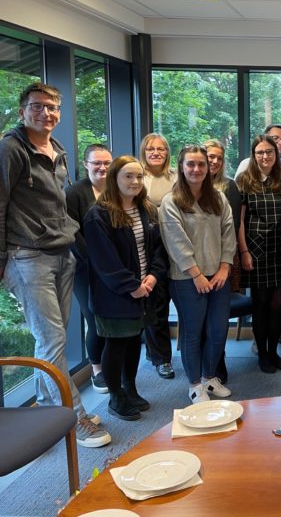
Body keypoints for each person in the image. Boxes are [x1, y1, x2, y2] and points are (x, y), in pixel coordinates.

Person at [0, 82, 110, 447]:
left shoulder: (57, 149)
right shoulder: (8, 151)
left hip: (61, 254)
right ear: (23, 110)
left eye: (53, 107)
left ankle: (44, 409)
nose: (47, 113)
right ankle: (75, 419)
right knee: (52, 340)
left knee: (50, 342)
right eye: (38, 106)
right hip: (27, 258)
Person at [84, 156, 167, 421]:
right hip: (115, 294)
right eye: (128, 176)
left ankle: (130, 389)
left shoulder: (146, 209)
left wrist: (153, 277)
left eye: (139, 177)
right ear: (115, 179)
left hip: (145, 289)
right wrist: (131, 286)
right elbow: (103, 260)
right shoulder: (98, 214)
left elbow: (156, 249)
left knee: (134, 342)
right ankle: (115, 397)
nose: (135, 181)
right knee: (117, 343)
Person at [160, 145, 236, 404]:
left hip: (218, 277)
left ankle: (209, 378)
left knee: (218, 331)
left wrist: (225, 266)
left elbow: (229, 233)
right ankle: (194, 385)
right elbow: (175, 242)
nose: (196, 169)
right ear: (181, 167)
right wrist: (195, 274)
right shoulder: (172, 202)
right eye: (190, 164)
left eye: (201, 164)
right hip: (186, 280)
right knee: (193, 333)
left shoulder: (218, 198)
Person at [236, 135, 281, 373]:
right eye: (260, 152)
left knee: (277, 305)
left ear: (276, 154)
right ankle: (262, 355)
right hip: (256, 250)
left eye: (269, 152)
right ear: (254, 155)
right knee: (260, 305)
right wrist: (244, 251)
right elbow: (239, 222)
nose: (265, 156)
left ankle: (273, 352)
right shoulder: (244, 181)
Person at [66, 143, 112, 394]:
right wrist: (95, 261)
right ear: (86, 165)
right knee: (93, 318)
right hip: (85, 268)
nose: (102, 167)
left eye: (106, 162)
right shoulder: (75, 193)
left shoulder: (116, 190)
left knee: (111, 317)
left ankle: (111, 365)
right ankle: (96, 369)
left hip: (114, 268)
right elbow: (72, 232)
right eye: (96, 163)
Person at [139, 132, 176, 379]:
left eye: (160, 148)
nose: (155, 152)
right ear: (144, 151)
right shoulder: (138, 177)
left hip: (177, 244)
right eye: (151, 148)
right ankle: (161, 358)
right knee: (157, 306)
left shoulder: (175, 176)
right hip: (152, 248)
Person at [204, 138, 241, 383]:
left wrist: (225, 263)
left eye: (218, 157)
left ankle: (218, 360)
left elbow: (233, 226)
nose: (214, 161)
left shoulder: (229, 186)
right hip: (193, 264)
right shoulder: (186, 187)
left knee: (218, 317)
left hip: (222, 261)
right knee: (199, 318)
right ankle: (201, 367)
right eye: (210, 157)